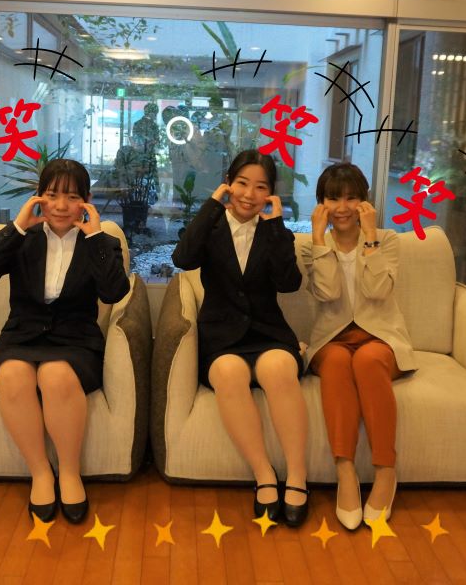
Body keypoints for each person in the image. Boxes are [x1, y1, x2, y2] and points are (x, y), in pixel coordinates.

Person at [0, 159, 129, 524]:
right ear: (39, 197)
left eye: (71, 196)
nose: (60, 205)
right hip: (21, 336)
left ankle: (69, 473)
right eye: (52, 195)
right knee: (12, 376)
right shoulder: (24, 238)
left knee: (56, 375)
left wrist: (96, 237)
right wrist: (17, 226)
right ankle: (40, 473)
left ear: (86, 201)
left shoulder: (100, 242)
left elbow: (114, 292)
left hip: (76, 340)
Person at [172, 149, 310, 527]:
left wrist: (277, 226)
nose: (250, 194)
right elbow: (182, 258)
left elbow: (289, 283)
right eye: (242, 183)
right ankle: (264, 474)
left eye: (261, 187)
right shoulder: (212, 226)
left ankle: (297, 476)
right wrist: (212, 205)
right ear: (228, 184)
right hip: (221, 337)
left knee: (279, 368)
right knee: (229, 373)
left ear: (271, 193)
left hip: (268, 333)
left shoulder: (274, 232)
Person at [300, 162, 417, 531]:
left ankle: (385, 471)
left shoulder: (388, 239)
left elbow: (377, 291)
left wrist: (370, 238)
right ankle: (345, 471)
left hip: (380, 337)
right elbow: (328, 292)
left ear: (365, 202)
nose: (343, 207)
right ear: (321, 203)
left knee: (367, 361)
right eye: (333, 199)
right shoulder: (312, 245)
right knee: (336, 361)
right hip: (332, 338)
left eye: (351, 198)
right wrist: (319, 240)